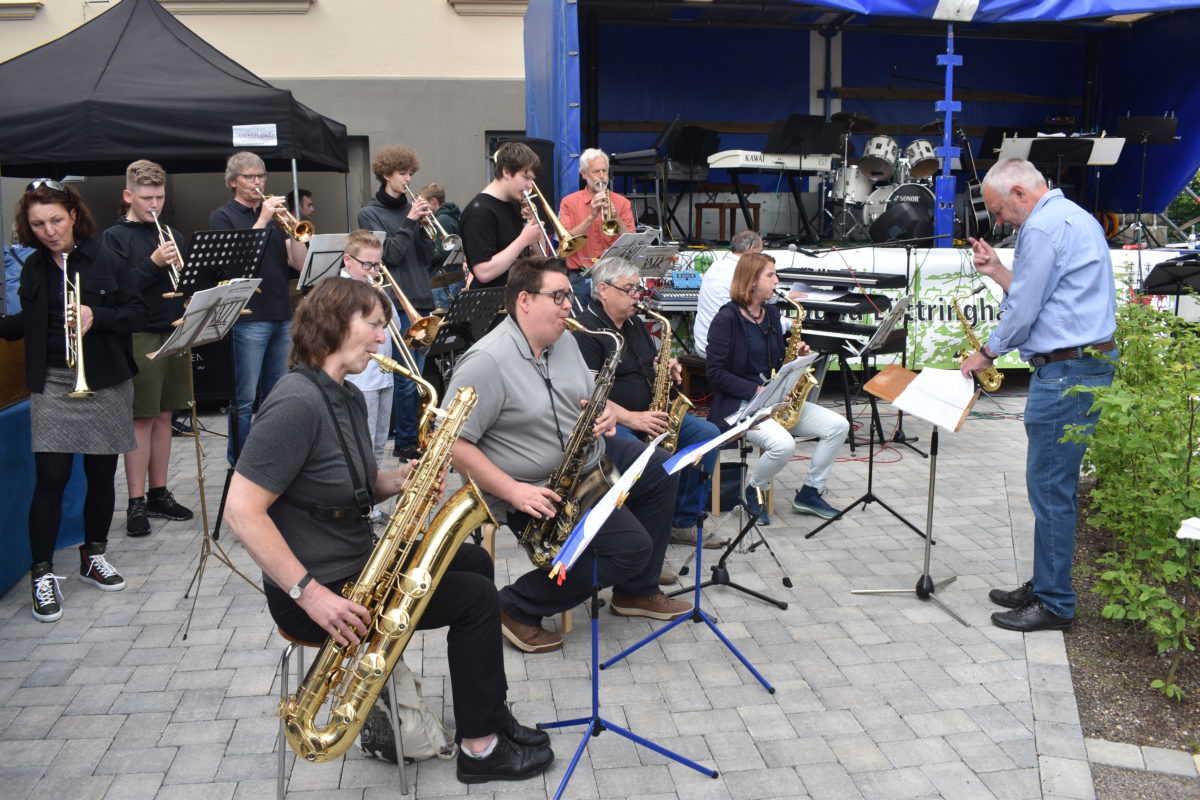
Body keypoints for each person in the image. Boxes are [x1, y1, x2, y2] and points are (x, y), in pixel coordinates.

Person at [224, 277, 553, 783]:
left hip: (354, 566)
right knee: (476, 600)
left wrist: (399, 480)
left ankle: (491, 715)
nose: (383, 339)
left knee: (473, 561)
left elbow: (348, 485)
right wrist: (312, 596)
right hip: (320, 592)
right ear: (335, 324)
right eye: (375, 325)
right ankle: (481, 749)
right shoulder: (295, 403)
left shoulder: (346, 396)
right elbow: (242, 510)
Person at [445, 257, 692, 654]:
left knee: (662, 469)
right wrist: (513, 491)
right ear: (524, 300)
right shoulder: (486, 361)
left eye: (567, 295)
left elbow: (588, 395)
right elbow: (453, 443)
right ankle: (515, 605)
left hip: (585, 458)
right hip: (532, 485)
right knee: (631, 548)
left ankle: (635, 592)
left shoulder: (562, 342)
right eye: (558, 296)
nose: (568, 305)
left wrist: (608, 411)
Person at [960, 158, 1118, 633]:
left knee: (1050, 491)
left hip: (1066, 372)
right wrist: (998, 271)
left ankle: (1054, 603)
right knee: (1052, 488)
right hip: (1082, 364)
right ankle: (1045, 583)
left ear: (1019, 193)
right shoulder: (1073, 217)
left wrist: (986, 353)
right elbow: (1042, 294)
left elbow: (1026, 308)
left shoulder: (1043, 229)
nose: (999, 221)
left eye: (999, 211)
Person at [1, 179, 147, 622]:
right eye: (38, 224)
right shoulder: (33, 268)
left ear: (74, 216)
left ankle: (93, 555)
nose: (49, 231)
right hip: (53, 383)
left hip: (106, 381)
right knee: (51, 479)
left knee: (102, 475)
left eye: (56, 220)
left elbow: (137, 315)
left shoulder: (107, 258)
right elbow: (23, 324)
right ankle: (42, 572)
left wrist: (94, 315)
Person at [572, 256, 725, 557]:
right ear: (603, 289)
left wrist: (666, 369)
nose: (637, 296)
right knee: (649, 460)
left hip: (649, 414)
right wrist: (633, 419)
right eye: (629, 290)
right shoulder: (586, 331)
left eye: (637, 289)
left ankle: (680, 521)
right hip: (610, 423)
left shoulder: (634, 324)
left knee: (706, 434)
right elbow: (587, 394)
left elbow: (648, 366)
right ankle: (641, 542)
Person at [705, 252, 849, 524]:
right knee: (784, 445)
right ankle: (754, 490)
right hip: (740, 405)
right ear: (751, 281)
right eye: (770, 275)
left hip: (773, 401)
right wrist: (753, 391)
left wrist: (797, 356)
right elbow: (715, 373)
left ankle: (810, 491)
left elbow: (775, 360)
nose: (777, 280)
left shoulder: (771, 314)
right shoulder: (726, 319)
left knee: (837, 426)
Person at [103, 160, 195, 536]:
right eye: (146, 198)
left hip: (173, 329)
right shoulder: (114, 237)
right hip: (139, 332)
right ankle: (135, 501)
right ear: (128, 196)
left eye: (159, 197)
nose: (154, 204)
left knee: (165, 415)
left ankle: (159, 492)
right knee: (141, 417)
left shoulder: (172, 233)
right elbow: (117, 290)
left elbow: (187, 282)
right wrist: (153, 263)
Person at [209, 151, 307, 464]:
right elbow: (237, 265)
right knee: (244, 398)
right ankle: (239, 462)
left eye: (261, 176)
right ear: (232, 182)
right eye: (250, 177)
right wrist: (263, 219)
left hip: (280, 313)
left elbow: (299, 264)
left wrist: (292, 231)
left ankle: (270, 458)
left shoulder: (276, 218)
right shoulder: (223, 217)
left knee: (276, 396)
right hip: (247, 316)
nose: (257, 182)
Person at [357, 145, 436, 462]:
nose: (408, 179)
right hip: (396, 303)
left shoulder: (412, 209)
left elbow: (429, 258)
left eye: (411, 173)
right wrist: (409, 222)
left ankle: (418, 432)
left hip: (421, 298)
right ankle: (406, 442)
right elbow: (388, 255)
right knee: (406, 380)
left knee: (421, 376)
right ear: (387, 174)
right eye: (403, 173)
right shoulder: (370, 213)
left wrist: (425, 230)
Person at [339, 230, 401, 531]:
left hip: (384, 375)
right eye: (368, 265)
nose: (375, 272)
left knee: (378, 445)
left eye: (378, 265)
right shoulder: (342, 294)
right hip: (362, 379)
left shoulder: (376, 288)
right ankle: (359, 509)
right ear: (348, 261)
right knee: (361, 448)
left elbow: (395, 327)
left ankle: (371, 506)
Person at [458, 142, 545, 289]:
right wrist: (523, 240)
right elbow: (483, 272)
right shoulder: (478, 212)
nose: (530, 186)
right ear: (506, 172)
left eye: (532, 179)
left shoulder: (515, 203)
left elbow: (540, 259)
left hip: (518, 295)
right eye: (526, 177)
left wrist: (534, 224)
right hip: (493, 304)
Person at [557, 148, 636, 307]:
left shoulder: (622, 202)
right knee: (581, 327)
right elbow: (565, 240)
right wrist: (591, 216)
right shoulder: (569, 202)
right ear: (584, 174)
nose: (601, 176)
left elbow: (632, 244)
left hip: (613, 277)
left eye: (604, 171)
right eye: (596, 172)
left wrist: (617, 219)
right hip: (579, 277)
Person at [694, 230, 763, 358]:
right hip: (723, 349)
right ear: (752, 249)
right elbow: (755, 314)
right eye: (760, 253)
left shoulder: (716, 266)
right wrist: (788, 323)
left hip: (702, 344)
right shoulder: (742, 271)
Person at [419, 182, 465, 309]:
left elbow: (444, 251)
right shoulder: (451, 216)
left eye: (424, 203)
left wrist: (422, 255)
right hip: (451, 278)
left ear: (433, 201)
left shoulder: (443, 220)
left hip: (444, 281)